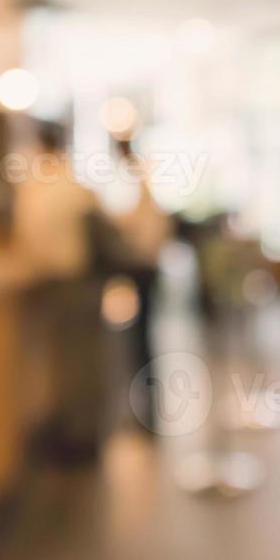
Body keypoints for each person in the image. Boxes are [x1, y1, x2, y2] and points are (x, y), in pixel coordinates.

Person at [12, 121, 103, 462]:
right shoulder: (73, 182)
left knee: (72, 362)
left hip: (67, 283)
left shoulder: (47, 186)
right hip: (76, 281)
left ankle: (76, 436)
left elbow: (35, 240)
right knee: (77, 361)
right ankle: (78, 432)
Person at [105, 138, 173, 432]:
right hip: (146, 265)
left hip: (142, 267)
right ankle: (144, 404)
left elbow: (142, 225)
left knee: (140, 340)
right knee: (140, 339)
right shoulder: (139, 180)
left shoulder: (136, 180)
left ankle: (146, 406)